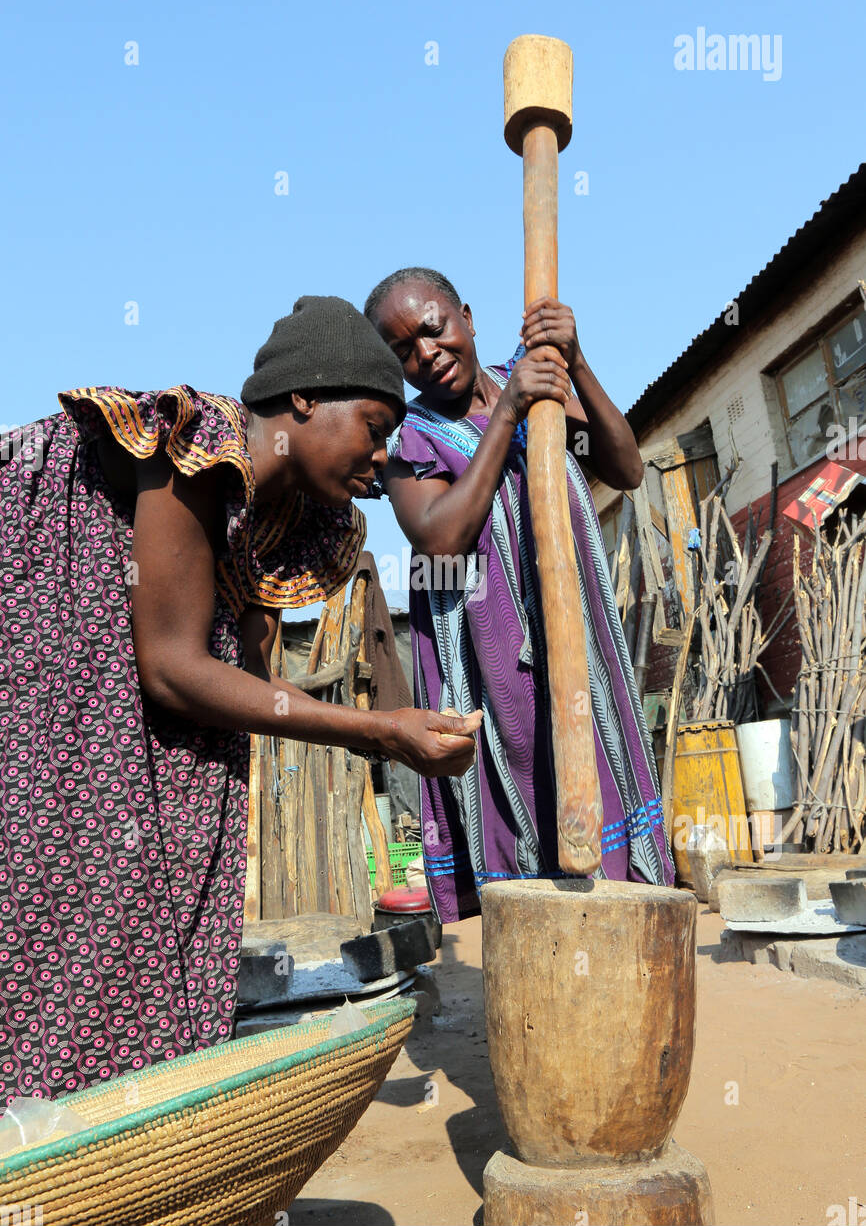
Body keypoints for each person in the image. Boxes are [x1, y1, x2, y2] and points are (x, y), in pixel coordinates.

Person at [0, 294, 480, 1105]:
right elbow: (174, 670)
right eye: (373, 425)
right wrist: (375, 729)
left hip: (112, 696)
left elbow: (251, 693)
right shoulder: (199, 441)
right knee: (71, 881)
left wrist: (381, 734)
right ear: (303, 401)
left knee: (146, 890)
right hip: (44, 634)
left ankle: (115, 1127)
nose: (383, 457)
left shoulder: (284, 520)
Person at [364, 268, 675, 923]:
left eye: (433, 328)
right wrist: (506, 412)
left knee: (592, 760)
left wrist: (577, 362)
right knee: (520, 773)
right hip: (488, 656)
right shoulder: (408, 448)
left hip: (577, 635)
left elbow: (625, 467)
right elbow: (441, 541)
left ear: (468, 317)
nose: (426, 354)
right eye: (403, 352)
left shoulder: (538, 382)